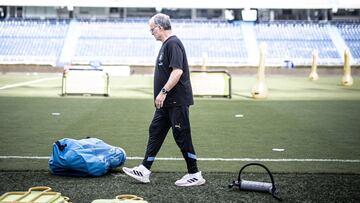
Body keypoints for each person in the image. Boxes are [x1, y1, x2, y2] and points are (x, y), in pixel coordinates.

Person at [122, 13, 205, 187]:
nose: (151, 33)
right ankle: (144, 169)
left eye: (152, 29)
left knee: (181, 135)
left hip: (176, 100)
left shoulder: (173, 43)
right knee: (155, 130)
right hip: (166, 103)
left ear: (160, 27)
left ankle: (195, 173)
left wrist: (163, 91)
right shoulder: (166, 45)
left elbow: (177, 71)